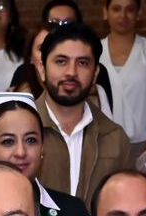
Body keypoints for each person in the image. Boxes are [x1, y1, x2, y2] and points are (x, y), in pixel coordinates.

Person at [38, 23, 131, 206]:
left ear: (95, 73)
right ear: (42, 69)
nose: (71, 72)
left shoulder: (115, 138)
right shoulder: (20, 132)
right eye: (61, 61)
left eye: (82, 63)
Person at [100, 0, 146, 155]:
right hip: (102, 143)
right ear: (105, 12)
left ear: (138, 14)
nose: (123, 16)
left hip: (144, 143)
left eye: (130, 10)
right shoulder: (94, 52)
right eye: (116, 9)